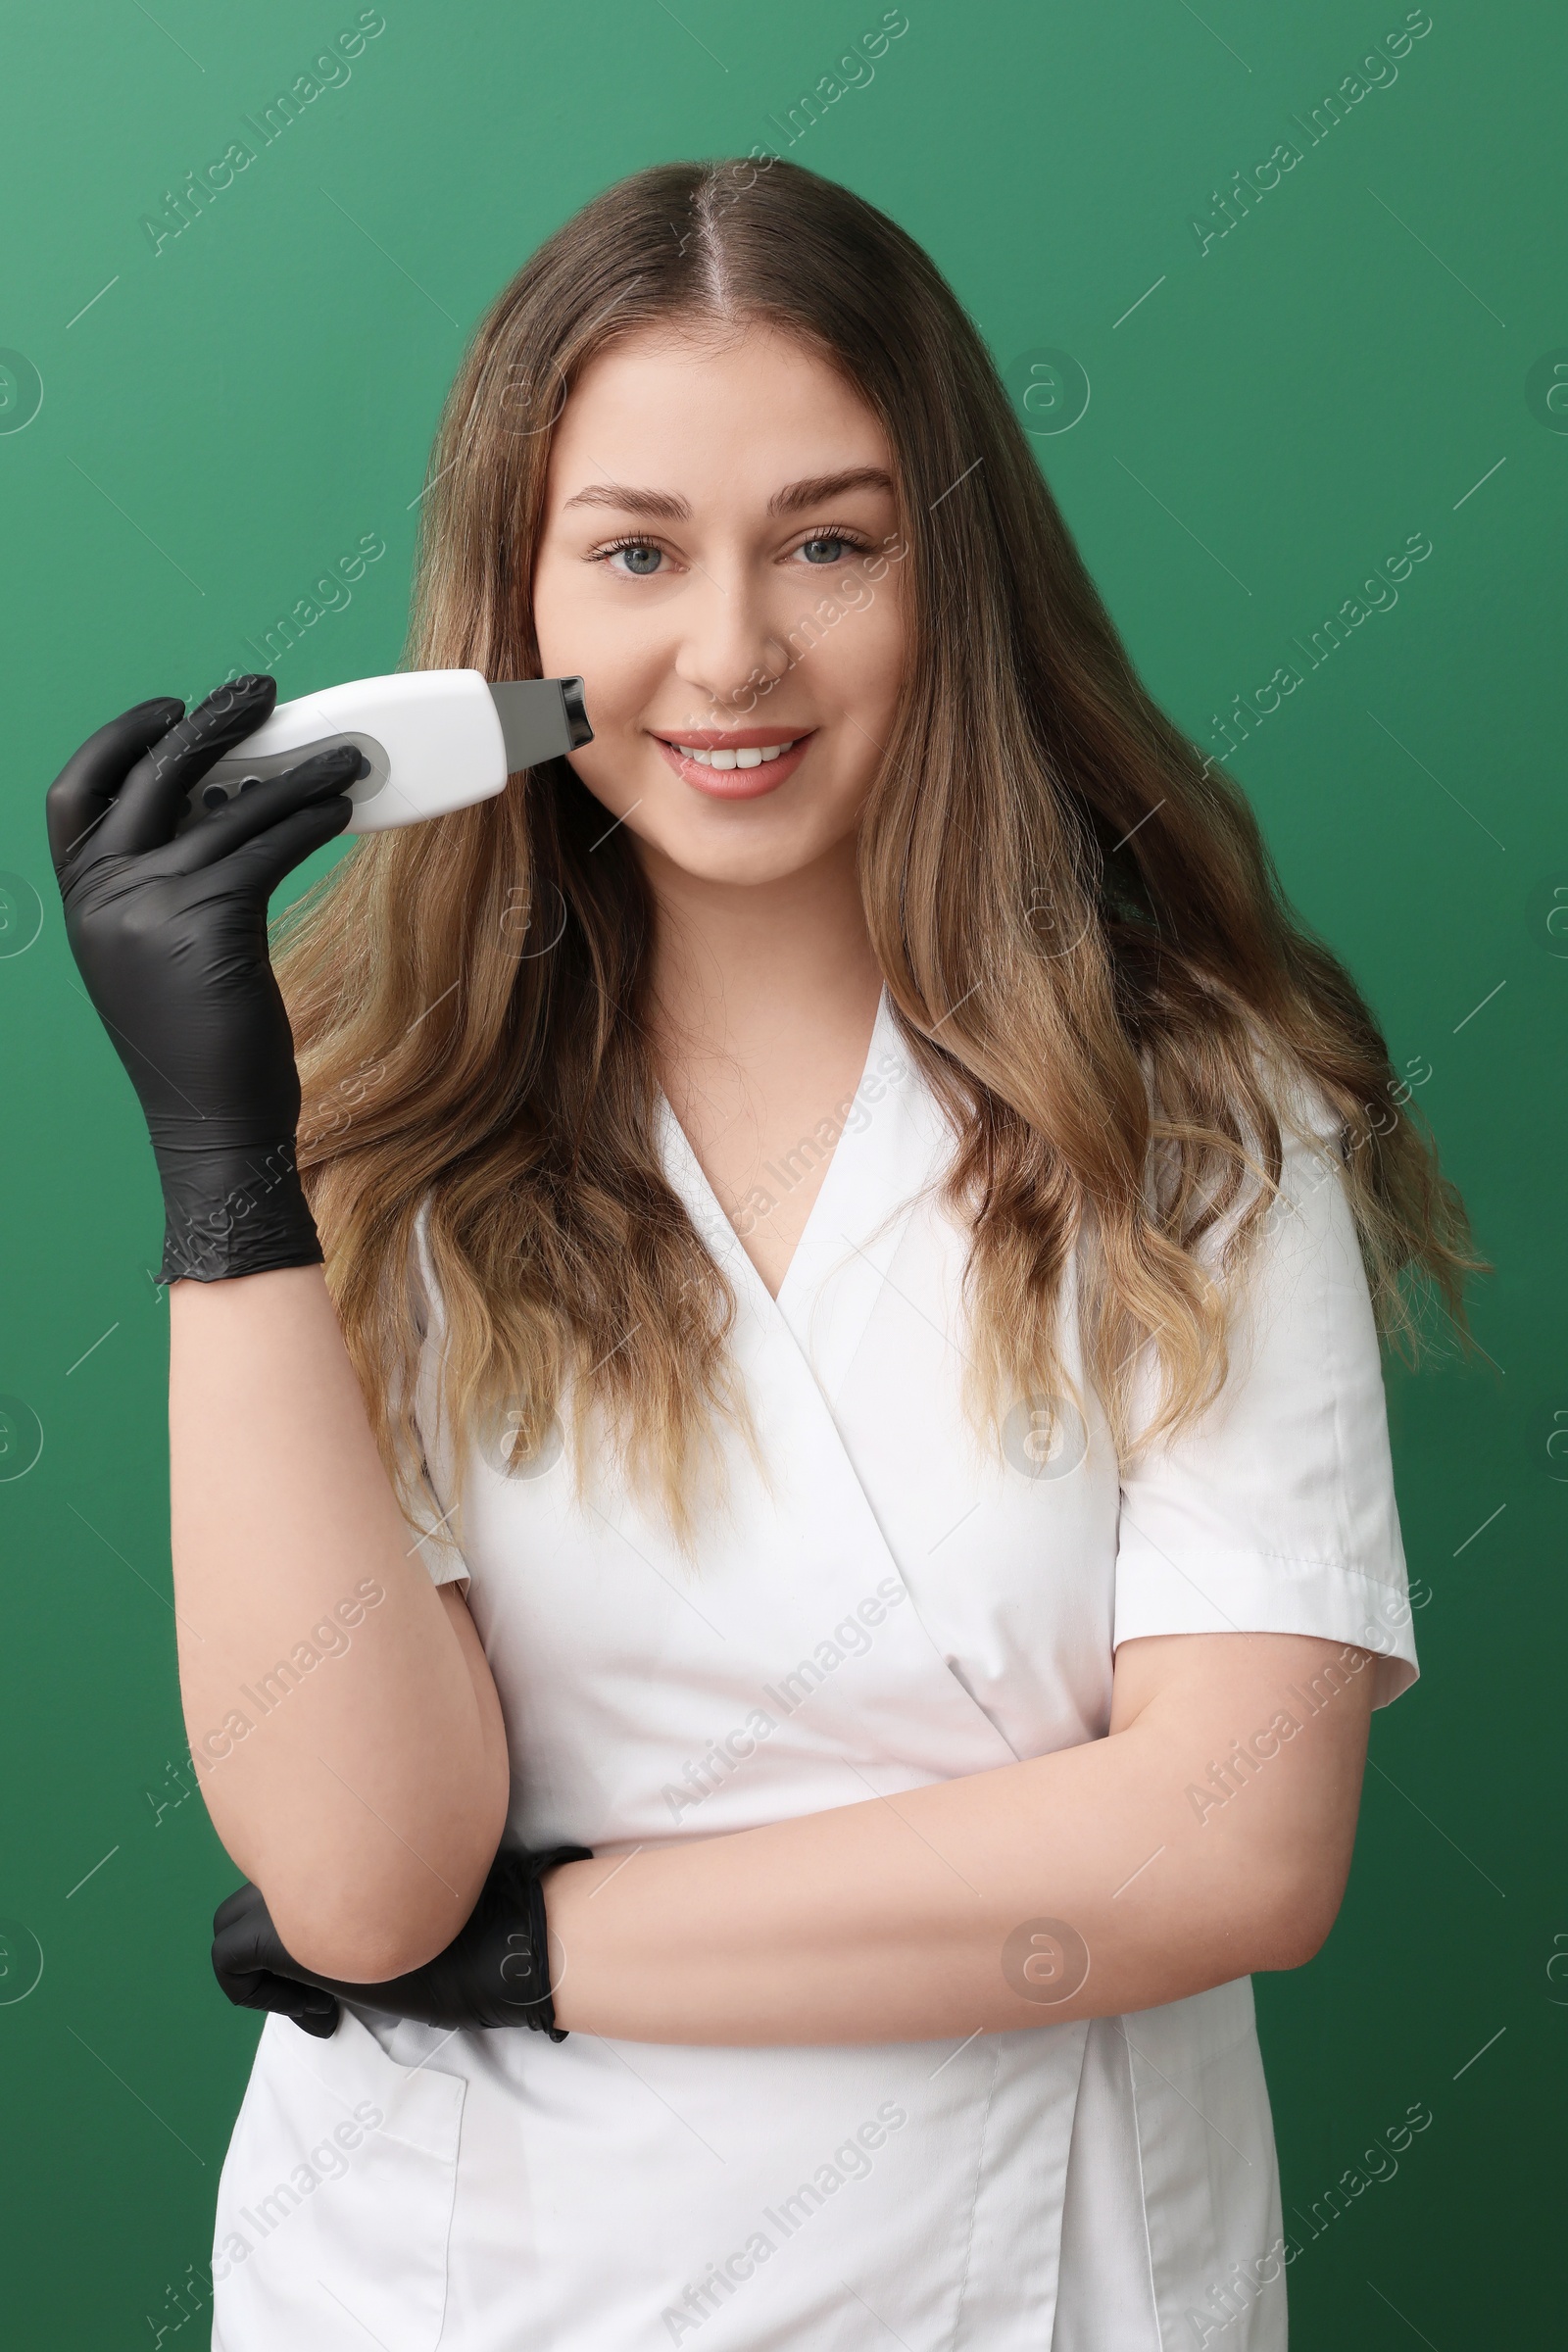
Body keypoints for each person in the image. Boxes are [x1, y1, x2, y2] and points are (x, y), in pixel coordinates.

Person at [48, 157, 1477, 2351]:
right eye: (633, 553)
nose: (729, 653)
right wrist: (228, 1161)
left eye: (829, 542)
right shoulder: (381, 1143)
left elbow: (1228, 1843)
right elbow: (357, 1880)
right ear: (512, 621)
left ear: (951, 577)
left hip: (1035, 2285)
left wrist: (537, 1955)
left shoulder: (1193, 1112)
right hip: (453, 2287)